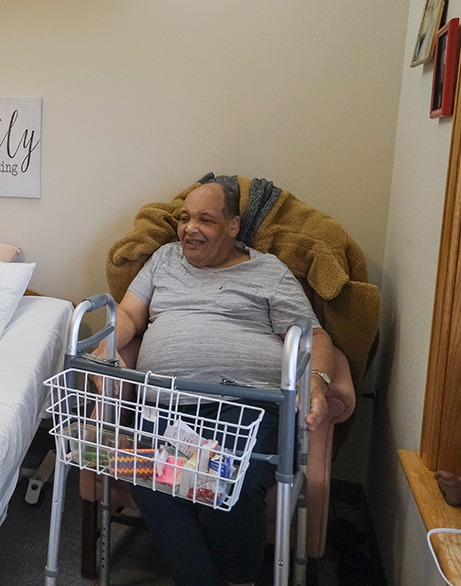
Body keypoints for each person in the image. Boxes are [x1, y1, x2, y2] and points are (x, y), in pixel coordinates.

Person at [103, 178, 357, 586]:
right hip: (164, 405)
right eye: (185, 218)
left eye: (205, 219)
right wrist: (107, 346)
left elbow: (315, 336)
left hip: (247, 409)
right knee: (145, 473)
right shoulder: (164, 260)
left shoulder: (267, 271)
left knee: (233, 483)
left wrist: (318, 382)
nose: (190, 228)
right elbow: (130, 315)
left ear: (234, 226)